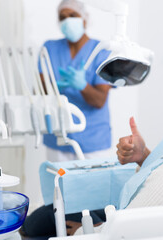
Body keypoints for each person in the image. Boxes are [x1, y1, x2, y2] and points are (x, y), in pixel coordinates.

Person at [20, 32, 163, 237]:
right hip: (125, 211)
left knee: (35, 225)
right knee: (43, 215)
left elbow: (121, 234)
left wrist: (80, 232)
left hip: (116, 223)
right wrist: (144, 155)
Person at [40, 0, 112, 162]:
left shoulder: (101, 51)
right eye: (62, 17)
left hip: (93, 140)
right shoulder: (49, 48)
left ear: (85, 19)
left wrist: (83, 86)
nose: (67, 21)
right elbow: (40, 91)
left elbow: (100, 100)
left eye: (73, 15)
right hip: (57, 137)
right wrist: (53, 87)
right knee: (57, 185)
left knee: (93, 186)